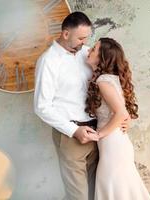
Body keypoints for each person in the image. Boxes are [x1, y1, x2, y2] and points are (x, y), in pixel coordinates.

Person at [34, 12, 128, 200]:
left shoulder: (89, 54)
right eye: (81, 38)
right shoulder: (48, 61)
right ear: (66, 34)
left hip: (99, 132)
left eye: (87, 37)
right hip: (71, 136)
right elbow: (41, 106)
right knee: (78, 196)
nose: (85, 42)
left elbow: (115, 82)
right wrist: (74, 130)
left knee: (96, 192)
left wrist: (124, 117)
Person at [85, 37, 150, 200]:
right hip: (117, 143)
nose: (88, 50)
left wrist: (99, 134)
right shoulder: (109, 79)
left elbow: (121, 113)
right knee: (121, 189)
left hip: (112, 145)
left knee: (115, 188)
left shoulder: (103, 81)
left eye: (93, 49)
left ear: (102, 58)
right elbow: (123, 112)